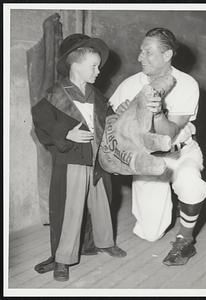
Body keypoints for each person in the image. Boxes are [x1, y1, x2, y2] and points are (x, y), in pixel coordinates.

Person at [109, 28, 206, 266]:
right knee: (150, 233)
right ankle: (177, 208)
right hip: (149, 159)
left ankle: (186, 238)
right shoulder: (132, 83)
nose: (140, 57)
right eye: (141, 51)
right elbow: (110, 117)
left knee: (191, 184)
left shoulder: (186, 83)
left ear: (167, 55)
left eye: (148, 52)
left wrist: (158, 112)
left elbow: (170, 132)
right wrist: (121, 114)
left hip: (179, 152)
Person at [32, 33, 126, 282]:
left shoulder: (99, 97)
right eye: (93, 66)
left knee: (102, 201)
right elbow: (39, 127)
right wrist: (65, 134)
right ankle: (63, 258)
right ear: (75, 65)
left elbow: (111, 124)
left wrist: (120, 119)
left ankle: (105, 242)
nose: (98, 71)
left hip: (98, 159)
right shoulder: (54, 96)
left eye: (98, 66)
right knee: (71, 208)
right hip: (72, 160)